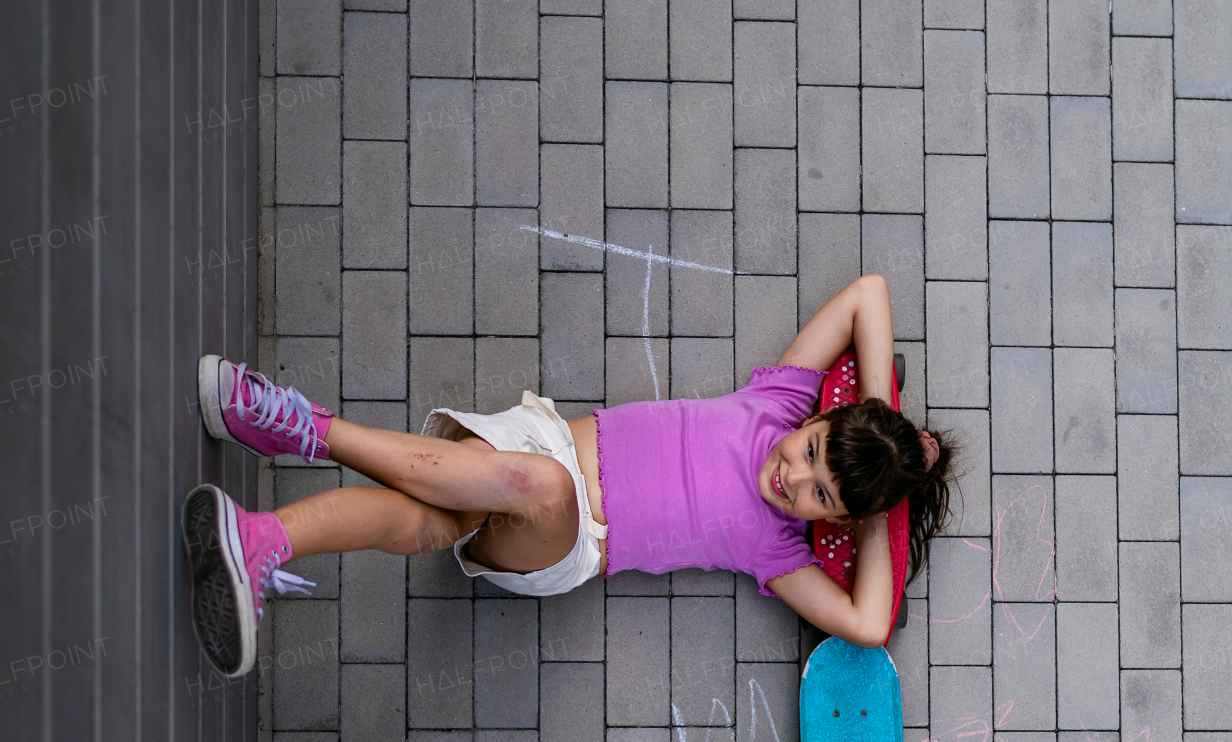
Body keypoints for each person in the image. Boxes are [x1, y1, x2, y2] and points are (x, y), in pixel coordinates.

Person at [182, 273, 955, 679]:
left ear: (834, 521)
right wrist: (882, 424)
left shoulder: (780, 550)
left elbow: (866, 624)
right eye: (814, 452)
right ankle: (262, 540)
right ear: (816, 420)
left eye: (821, 496)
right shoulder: (780, 398)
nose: (796, 477)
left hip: (569, 541)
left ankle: (303, 428)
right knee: (430, 524)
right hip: (538, 438)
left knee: (542, 489)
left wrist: (879, 510)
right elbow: (869, 294)